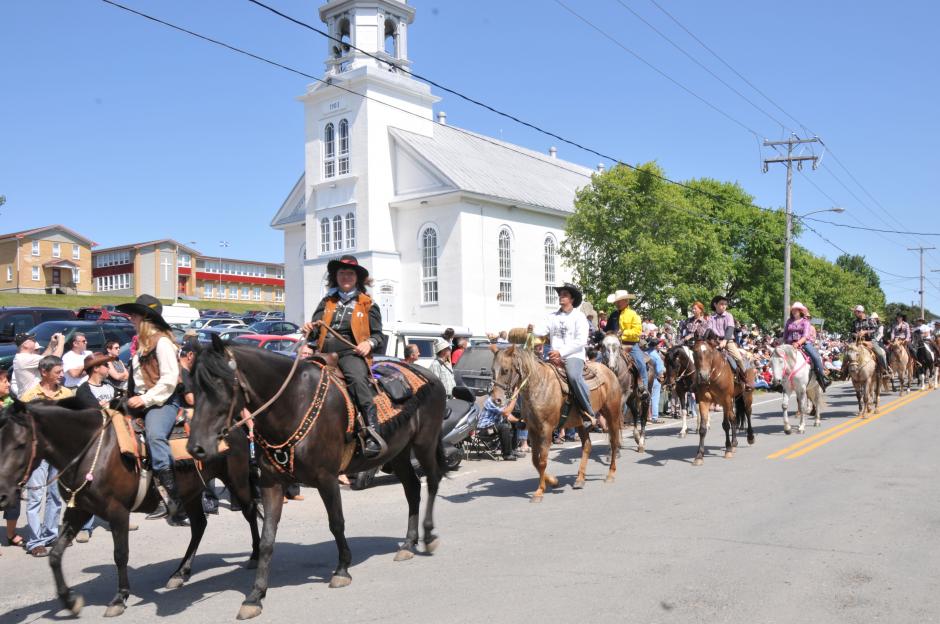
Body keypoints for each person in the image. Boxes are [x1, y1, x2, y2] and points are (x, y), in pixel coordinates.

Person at [302, 255, 385, 458]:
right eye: (341, 273)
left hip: (350, 353)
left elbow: (378, 335)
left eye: (349, 273)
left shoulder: (368, 304)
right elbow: (315, 332)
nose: (345, 276)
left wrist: (368, 343)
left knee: (357, 380)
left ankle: (373, 431)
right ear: (335, 277)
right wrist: (309, 330)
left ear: (357, 277)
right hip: (322, 353)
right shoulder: (327, 302)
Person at [117, 294, 187, 526]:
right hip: (140, 399)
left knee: (155, 435)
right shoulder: (142, 345)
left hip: (163, 402)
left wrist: (145, 400)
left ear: (145, 318)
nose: (131, 318)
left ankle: (173, 500)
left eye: (134, 315)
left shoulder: (163, 343)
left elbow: (168, 380)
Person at [20, 356, 72, 557]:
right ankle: (35, 541)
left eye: (62, 371)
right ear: (44, 372)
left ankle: (50, 534)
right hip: (39, 454)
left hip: (58, 453)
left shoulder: (66, 393)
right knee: (35, 497)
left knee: (56, 496)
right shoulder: (31, 396)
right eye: (57, 372)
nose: (61, 375)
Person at [531, 283, 598, 430]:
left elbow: (580, 341)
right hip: (553, 356)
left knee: (574, 376)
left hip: (574, 355)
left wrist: (561, 352)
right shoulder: (552, 316)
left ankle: (588, 412)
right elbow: (541, 330)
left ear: (572, 299)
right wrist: (533, 329)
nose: (561, 297)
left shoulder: (579, 317)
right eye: (560, 294)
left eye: (565, 295)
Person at [1, 369, 25, 554]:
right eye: (3, 381)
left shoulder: (12, 402)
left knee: (14, 498)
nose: (8, 384)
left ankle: (10, 534)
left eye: (8, 380)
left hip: (10, 458)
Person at [610, 290, 649, 399]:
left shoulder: (633, 314)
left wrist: (623, 334)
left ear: (626, 301)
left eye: (620, 301)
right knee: (598, 359)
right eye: (616, 301)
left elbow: (637, 331)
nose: (617, 303)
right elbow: (607, 329)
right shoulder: (613, 315)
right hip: (613, 345)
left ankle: (643, 388)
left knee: (640, 363)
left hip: (630, 345)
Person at [707, 295, 752, 389]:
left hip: (728, 341)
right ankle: (703, 380)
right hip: (715, 342)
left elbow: (730, 329)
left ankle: (745, 379)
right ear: (715, 304)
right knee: (703, 356)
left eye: (725, 304)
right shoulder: (711, 317)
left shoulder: (728, 315)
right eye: (721, 304)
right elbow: (709, 330)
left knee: (739, 358)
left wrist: (724, 341)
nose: (724, 306)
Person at [783, 302, 831, 390]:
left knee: (816, 357)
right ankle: (777, 381)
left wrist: (797, 343)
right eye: (793, 310)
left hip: (803, 344)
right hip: (789, 344)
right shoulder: (789, 321)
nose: (794, 311)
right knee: (777, 357)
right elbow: (785, 334)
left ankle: (822, 378)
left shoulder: (805, 322)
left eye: (796, 310)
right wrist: (786, 343)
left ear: (800, 311)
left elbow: (805, 336)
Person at [12, 331, 64, 396]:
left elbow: (44, 359)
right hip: (30, 398)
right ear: (25, 344)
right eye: (32, 340)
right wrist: (61, 342)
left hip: (32, 396)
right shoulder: (24, 358)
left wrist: (52, 344)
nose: (35, 341)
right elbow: (54, 360)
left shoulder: (24, 357)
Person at [477, 395, 524, 461]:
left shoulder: (501, 401)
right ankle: (507, 455)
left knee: (514, 424)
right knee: (504, 427)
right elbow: (506, 413)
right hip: (484, 430)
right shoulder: (490, 401)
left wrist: (520, 421)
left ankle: (512, 450)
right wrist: (515, 398)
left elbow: (509, 417)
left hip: (494, 427)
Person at [850, 305, 888, 373]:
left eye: (855, 312)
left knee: (880, 354)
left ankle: (885, 370)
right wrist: (856, 334)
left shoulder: (870, 319)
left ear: (860, 312)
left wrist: (865, 332)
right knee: (849, 353)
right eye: (855, 312)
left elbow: (875, 329)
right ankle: (844, 372)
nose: (855, 314)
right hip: (858, 342)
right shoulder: (854, 322)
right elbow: (852, 332)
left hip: (870, 341)